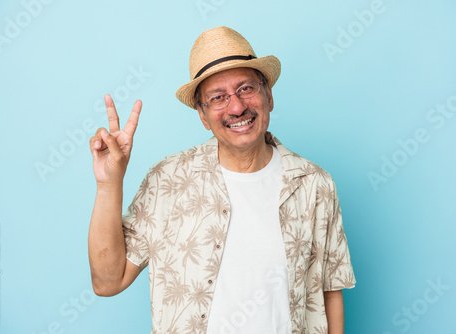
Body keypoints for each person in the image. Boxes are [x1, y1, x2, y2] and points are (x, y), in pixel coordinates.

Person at [88, 26, 356, 334]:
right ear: (203, 116)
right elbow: (108, 282)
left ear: (268, 95)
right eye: (218, 97)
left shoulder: (314, 184)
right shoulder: (168, 180)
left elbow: (330, 291)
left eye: (246, 89)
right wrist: (109, 184)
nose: (237, 107)